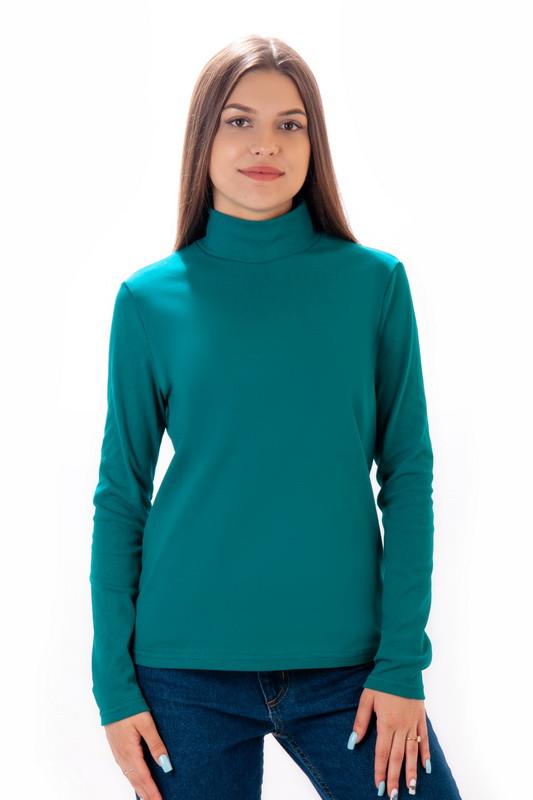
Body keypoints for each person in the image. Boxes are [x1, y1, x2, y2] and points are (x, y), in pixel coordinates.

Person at [89, 34, 462, 800]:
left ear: (312, 143)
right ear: (203, 139)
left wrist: (401, 665)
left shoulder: (373, 286)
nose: (266, 144)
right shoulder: (148, 301)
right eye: (239, 121)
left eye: (290, 124)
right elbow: (121, 496)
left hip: (351, 671)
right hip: (182, 671)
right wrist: (113, 689)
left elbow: (407, 476)